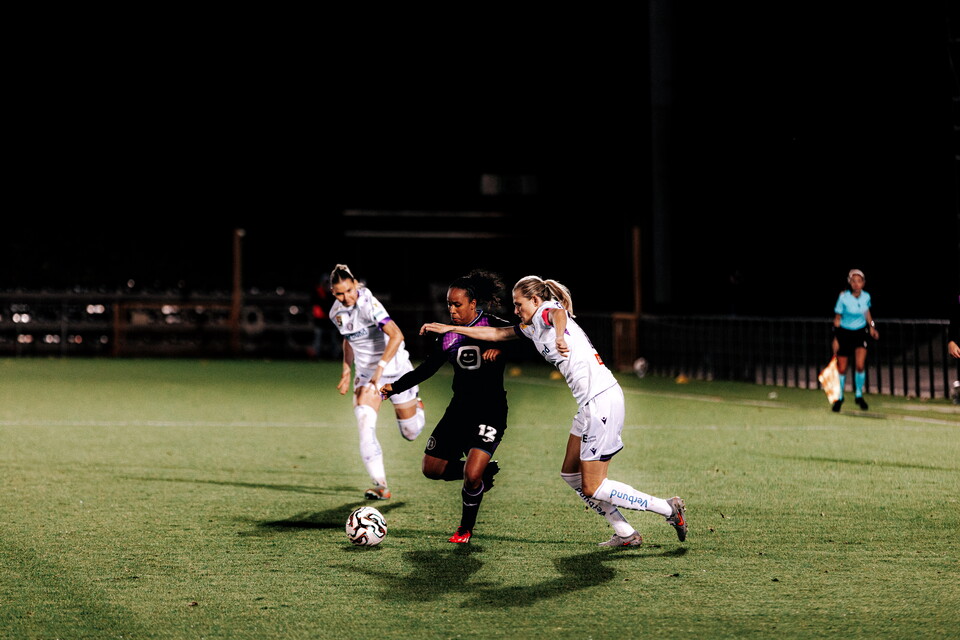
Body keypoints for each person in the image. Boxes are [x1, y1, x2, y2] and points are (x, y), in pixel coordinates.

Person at [421, 275, 687, 547]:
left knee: (593, 486)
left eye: (518, 304)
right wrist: (448, 329)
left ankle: (668, 509)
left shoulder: (547, 312)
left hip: (602, 401)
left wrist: (560, 336)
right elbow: (498, 333)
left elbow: (558, 313)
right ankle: (626, 534)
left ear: (535, 300)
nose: (515, 310)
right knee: (571, 475)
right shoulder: (533, 325)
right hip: (589, 404)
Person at [380, 270, 511, 544]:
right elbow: (427, 369)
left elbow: (525, 340)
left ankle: (465, 529)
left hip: (490, 411)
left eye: (457, 304)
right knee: (432, 469)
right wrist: (394, 387)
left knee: (472, 477)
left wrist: (502, 350)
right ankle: (483, 472)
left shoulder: (494, 325)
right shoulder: (448, 336)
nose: (451, 310)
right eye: (449, 304)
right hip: (459, 410)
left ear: (473, 304)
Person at [329, 264, 426, 500]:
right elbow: (349, 339)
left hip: (396, 371)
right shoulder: (336, 313)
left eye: (350, 290)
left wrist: (380, 367)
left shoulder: (368, 304)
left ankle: (417, 403)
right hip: (366, 376)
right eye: (340, 293)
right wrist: (345, 370)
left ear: (355, 285)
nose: (347, 297)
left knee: (411, 433)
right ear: (333, 293)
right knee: (364, 423)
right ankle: (381, 485)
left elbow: (397, 335)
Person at [830, 269, 880, 412]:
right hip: (844, 333)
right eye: (853, 281)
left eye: (859, 281)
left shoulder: (866, 297)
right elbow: (837, 319)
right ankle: (840, 397)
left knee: (859, 365)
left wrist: (872, 327)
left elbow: (867, 313)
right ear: (850, 283)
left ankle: (859, 395)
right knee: (842, 368)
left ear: (863, 283)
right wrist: (836, 339)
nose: (856, 284)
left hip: (860, 333)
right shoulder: (843, 297)